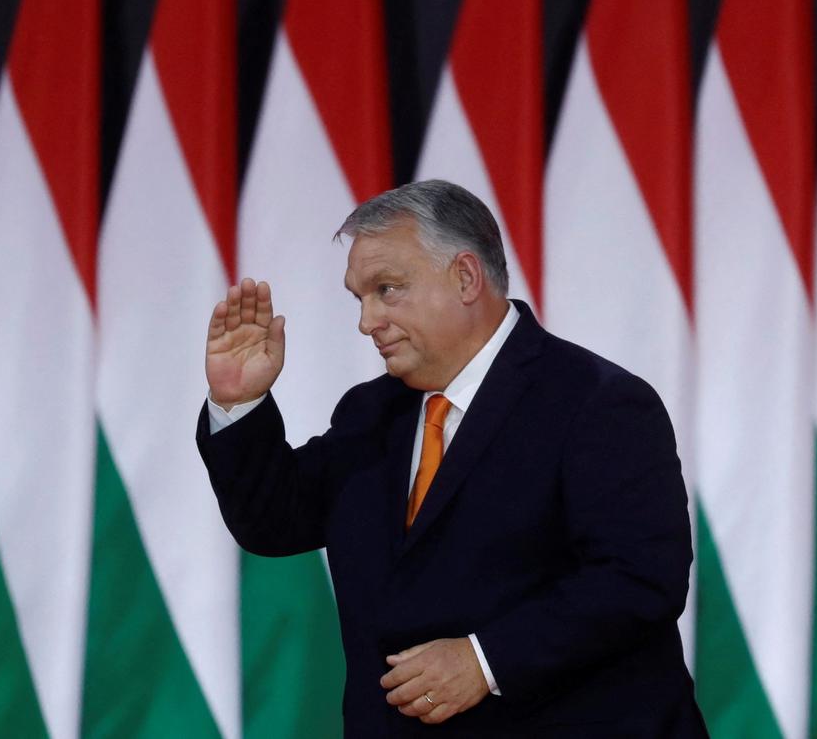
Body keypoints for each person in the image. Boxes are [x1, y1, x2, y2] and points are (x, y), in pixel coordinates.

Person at [197, 180, 705, 737]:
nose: (367, 322)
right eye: (359, 298)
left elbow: (640, 578)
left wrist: (484, 661)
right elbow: (273, 522)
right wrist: (237, 401)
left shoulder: (596, 401)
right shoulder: (370, 413)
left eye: (387, 290)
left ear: (466, 277)